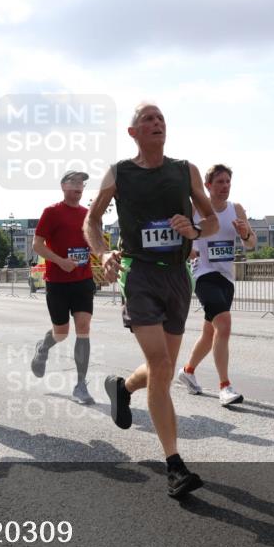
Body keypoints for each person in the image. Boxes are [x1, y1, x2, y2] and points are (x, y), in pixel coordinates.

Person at [84, 103, 217, 498]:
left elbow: (210, 222)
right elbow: (91, 221)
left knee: (164, 370)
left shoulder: (185, 170)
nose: (157, 123)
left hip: (177, 275)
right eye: (148, 119)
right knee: (161, 367)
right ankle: (174, 465)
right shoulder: (119, 173)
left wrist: (192, 229)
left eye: (160, 119)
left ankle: (123, 388)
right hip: (137, 272)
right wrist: (103, 253)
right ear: (132, 133)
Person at [178, 164, 257, 405]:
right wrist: (189, 248)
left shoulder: (237, 209)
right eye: (220, 182)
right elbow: (183, 237)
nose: (225, 187)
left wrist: (244, 234)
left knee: (210, 331)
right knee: (224, 323)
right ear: (208, 186)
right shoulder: (196, 209)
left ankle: (188, 371)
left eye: (228, 182)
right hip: (203, 274)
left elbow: (251, 244)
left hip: (226, 278)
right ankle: (225, 386)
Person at [29, 170, 97, 404]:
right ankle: (43, 347)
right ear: (63, 186)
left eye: (82, 183)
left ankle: (80, 385)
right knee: (61, 332)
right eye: (74, 182)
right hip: (57, 282)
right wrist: (60, 261)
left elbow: (96, 242)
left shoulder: (88, 215)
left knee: (83, 327)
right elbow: (37, 245)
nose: (79, 186)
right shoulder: (52, 212)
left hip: (83, 279)